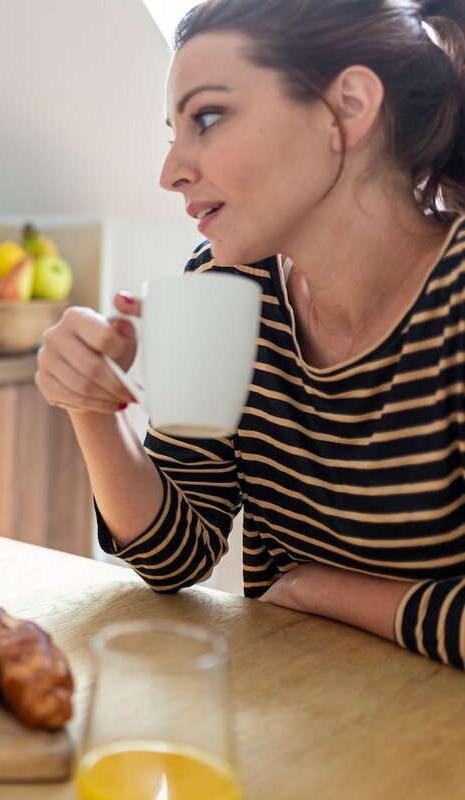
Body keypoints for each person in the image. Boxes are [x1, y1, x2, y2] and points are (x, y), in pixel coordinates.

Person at [36, 0, 465, 668]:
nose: (171, 171)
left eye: (206, 118)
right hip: (295, 719)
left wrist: (325, 590)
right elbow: (175, 556)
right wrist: (93, 409)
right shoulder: (230, 289)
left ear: (347, 108)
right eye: (173, 131)